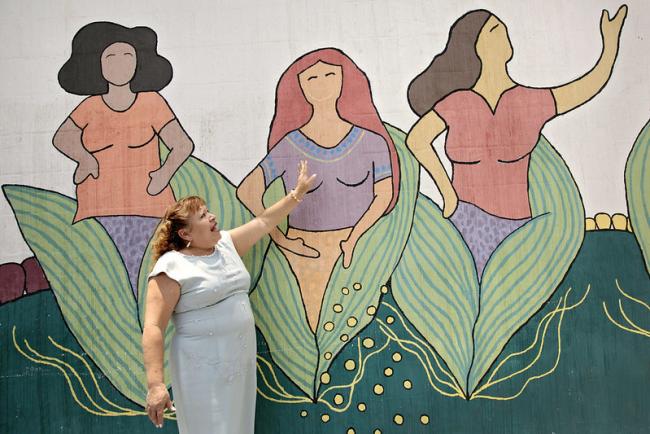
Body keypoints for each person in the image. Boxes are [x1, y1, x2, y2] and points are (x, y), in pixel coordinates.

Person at [406, 6, 627, 279]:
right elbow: (416, 140)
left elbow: (587, 87)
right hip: (465, 222)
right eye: (494, 30)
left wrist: (610, 45)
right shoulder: (458, 103)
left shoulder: (529, 102)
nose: (505, 33)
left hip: (519, 229)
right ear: (477, 47)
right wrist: (448, 195)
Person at [142, 161, 316, 433]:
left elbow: (263, 222)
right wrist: (155, 385)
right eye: (202, 216)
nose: (211, 217)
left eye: (208, 211)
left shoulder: (225, 245)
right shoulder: (171, 266)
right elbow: (153, 327)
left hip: (238, 362)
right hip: (200, 367)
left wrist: (297, 194)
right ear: (185, 233)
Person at [237, 48, 399, 331]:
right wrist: (282, 239)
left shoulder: (372, 141)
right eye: (311, 77)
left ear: (343, 80)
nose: (321, 82)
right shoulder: (290, 145)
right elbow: (248, 190)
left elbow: (383, 195)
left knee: (366, 329)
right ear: (299, 86)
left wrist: (354, 238)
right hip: (306, 251)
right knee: (316, 331)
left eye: (330, 74)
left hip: (362, 248)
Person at [53, 21, 195, 297]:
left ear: (138, 63)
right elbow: (62, 137)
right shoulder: (91, 107)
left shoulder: (152, 103)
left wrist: (164, 174)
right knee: (106, 285)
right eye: (111, 57)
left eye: (127, 56)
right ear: (99, 65)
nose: (120, 64)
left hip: (150, 209)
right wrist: (85, 158)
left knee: (149, 279)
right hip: (98, 210)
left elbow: (182, 144)